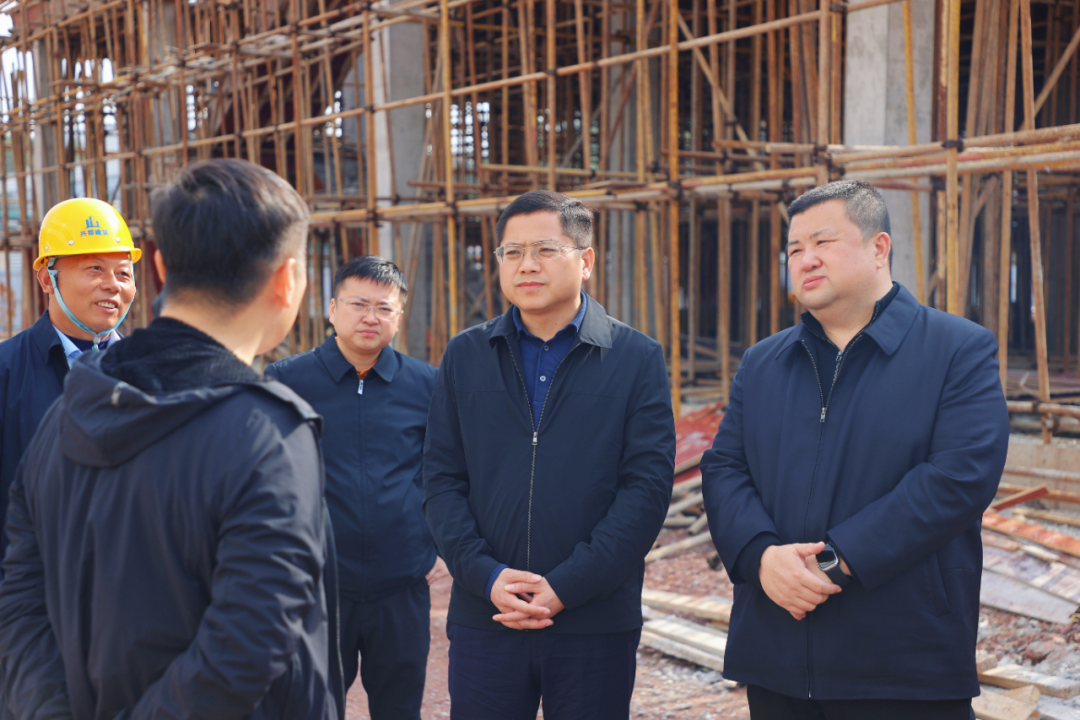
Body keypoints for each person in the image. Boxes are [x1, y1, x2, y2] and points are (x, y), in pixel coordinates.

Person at [0, 159, 342, 720]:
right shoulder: (270, 434)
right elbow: (249, 645)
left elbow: (20, 602)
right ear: (287, 280)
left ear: (156, 267)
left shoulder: (66, 412)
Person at [700, 180, 1009, 719]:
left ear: (879, 247)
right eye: (795, 249)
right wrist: (761, 557)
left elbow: (958, 478)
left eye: (823, 242)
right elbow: (725, 467)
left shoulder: (957, 349)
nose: (806, 260)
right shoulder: (763, 363)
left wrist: (835, 561)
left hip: (903, 665)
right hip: (776, 655)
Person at [423, 189, 676, 720]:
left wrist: (567, 585)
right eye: (512, 252)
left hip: (593, 619)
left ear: (585, 261)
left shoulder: (635, 358)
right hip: (488, 614)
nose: (527, 265)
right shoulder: (466, 354)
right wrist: (486, 576)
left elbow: (646, 490)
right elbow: (442, 479)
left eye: (544, 250)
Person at [267, 255, 445, 720]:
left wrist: (433, 543)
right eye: (358, 304)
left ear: (399, 317)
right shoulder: (287, 381)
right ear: (332, 309)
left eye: (384, 308)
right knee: (309, 709)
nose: (371, 317)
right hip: (318, 589)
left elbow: (444, 471)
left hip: (402, 586)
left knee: (399, 709)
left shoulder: (427, 385)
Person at [0, 197, 140, 566]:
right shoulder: (6, 371)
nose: (112, 285)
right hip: (32, 589)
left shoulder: (150, 373)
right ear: (48, 279)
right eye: (95, 269)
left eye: (124, 273)